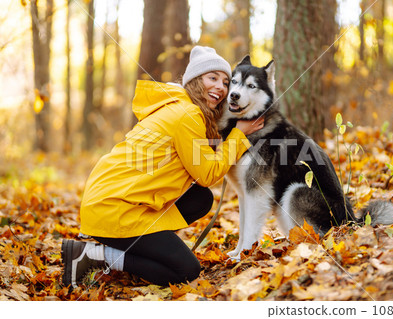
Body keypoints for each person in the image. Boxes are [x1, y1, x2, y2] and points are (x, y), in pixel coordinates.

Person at [61, 46, 265, 288]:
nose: (221, 87)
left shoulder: (179, 107)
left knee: (199, 199)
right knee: (186, 271)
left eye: (225, 81)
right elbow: (208, 174)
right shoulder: (187, 116)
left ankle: (145, 249)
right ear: (195, 81)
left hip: (112, 202)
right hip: (114, 210)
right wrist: (239, 135)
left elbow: (201, 172)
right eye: (212, 78)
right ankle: (94, 255)